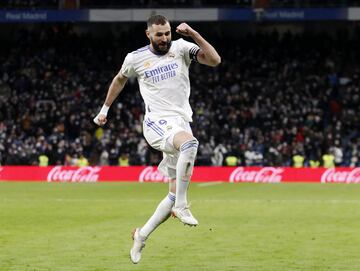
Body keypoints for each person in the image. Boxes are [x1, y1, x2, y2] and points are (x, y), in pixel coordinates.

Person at [93, 14, 221, 264]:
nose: (164, 38)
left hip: (181, 122)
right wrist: (104, 110)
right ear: (148, 34)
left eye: (167, 33)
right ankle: (183, 206)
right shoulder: (136, 58)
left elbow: (215, 60)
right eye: (159, 34)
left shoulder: (182, 48)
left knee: (172, 192)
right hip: (156, 123)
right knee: (190, 144)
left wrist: (193, 33)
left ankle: (141, 235)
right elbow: (120, 79)